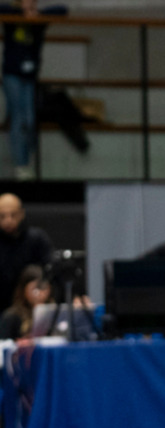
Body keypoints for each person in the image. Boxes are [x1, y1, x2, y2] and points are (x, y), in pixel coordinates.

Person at [0, 0, 67, 180]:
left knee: (30, 118)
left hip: (29, 77)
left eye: (32, 5)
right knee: (18, 116)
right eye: (25, 5)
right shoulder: (12, 18)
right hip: (12, 75)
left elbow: (62, 9)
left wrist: (37, 14)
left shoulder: (39, 22)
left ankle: (27, 160)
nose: (29, 9)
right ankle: (20, 165)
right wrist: (19, 13)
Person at [0, 192, 52, 309]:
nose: (8, 220)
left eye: (13, 215)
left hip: (32, 307)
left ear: (21, 214)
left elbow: (49, 271)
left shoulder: (37, 239)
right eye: (2, 216)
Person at [0, 262, 47, 338]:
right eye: (35, 289)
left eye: (43, 288)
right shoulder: (12, 316)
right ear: (23, 289)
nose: (39, 294)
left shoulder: (51, 313)